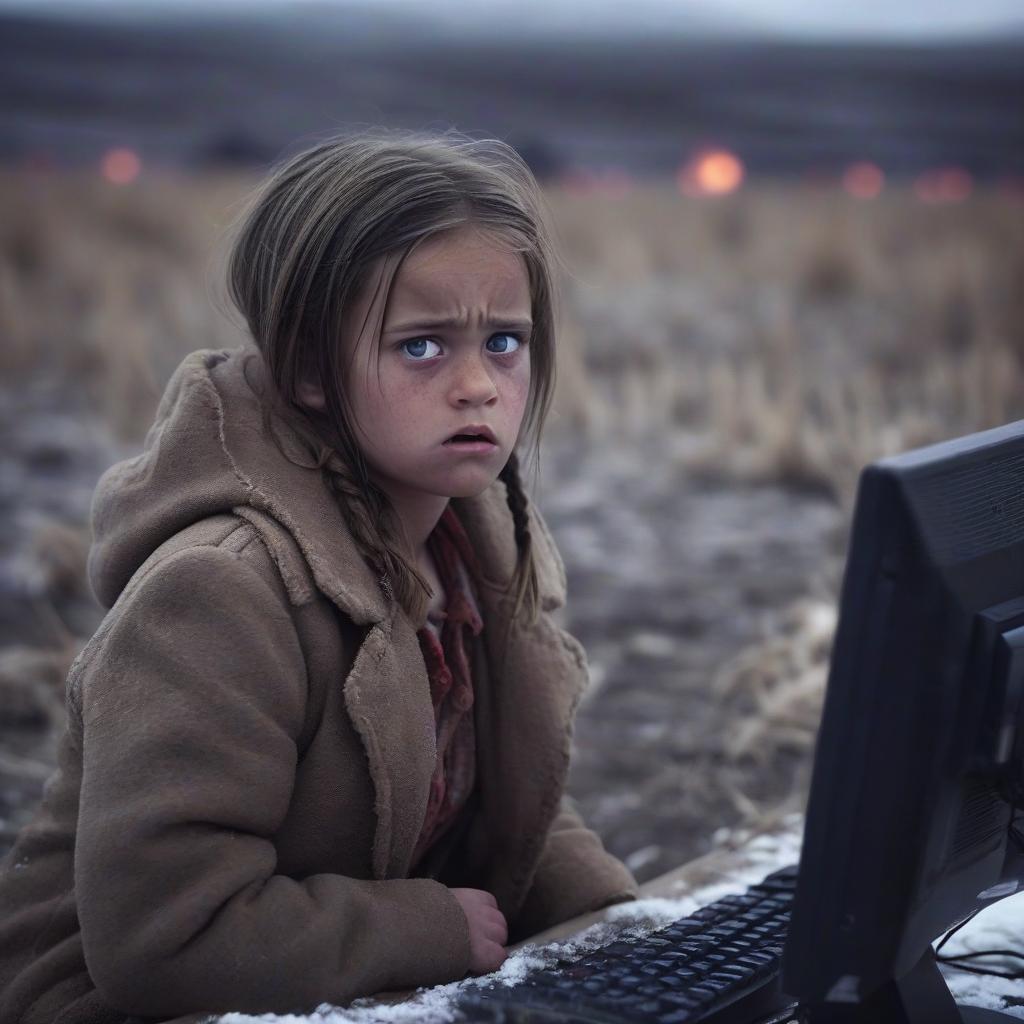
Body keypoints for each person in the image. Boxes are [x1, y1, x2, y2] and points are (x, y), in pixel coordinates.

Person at [0, 128, 639, 1024]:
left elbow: (502, 806)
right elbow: (164, 938)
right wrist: (427, 929)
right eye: (421, 346)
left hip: (336, 992)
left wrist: (625, 929)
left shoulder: (472, 550)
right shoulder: (220, 595)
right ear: (306, 366)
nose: (478, 386)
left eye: (504, 341)